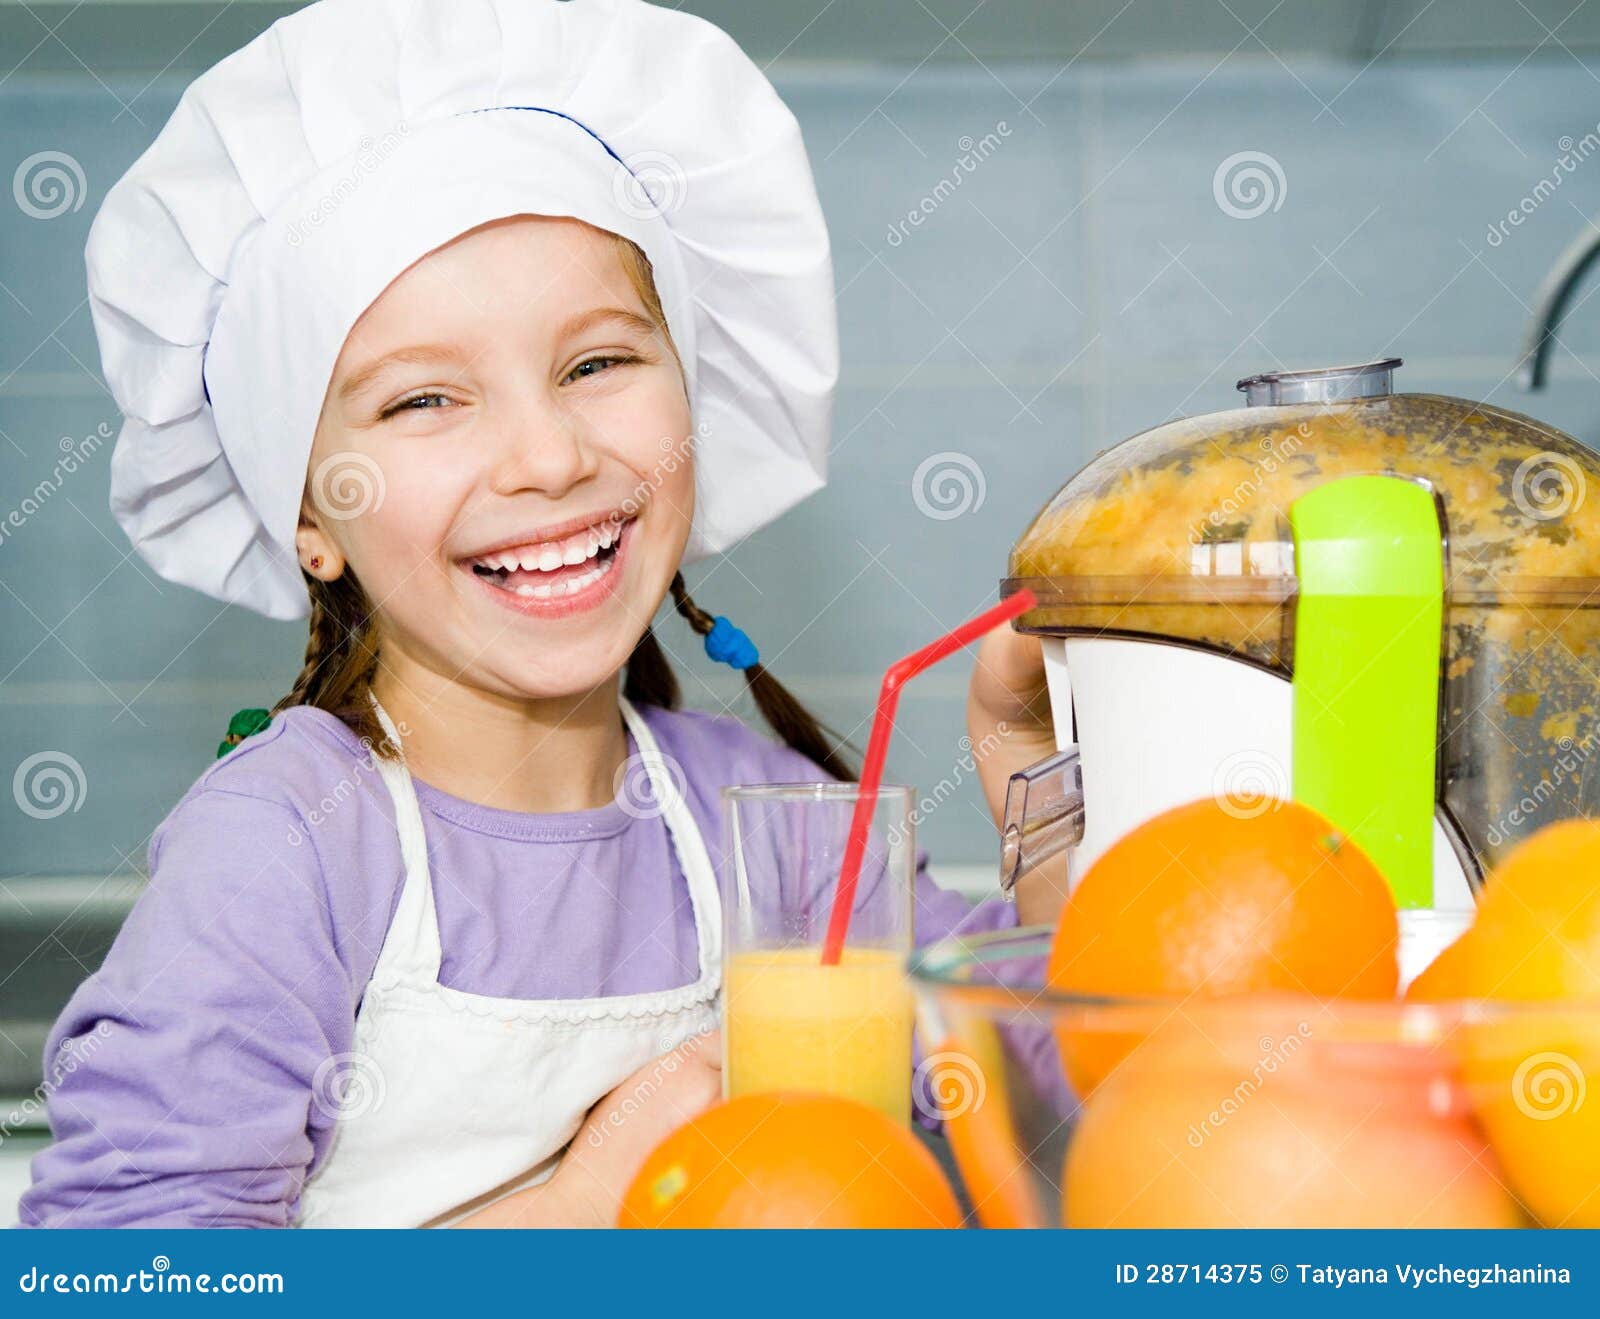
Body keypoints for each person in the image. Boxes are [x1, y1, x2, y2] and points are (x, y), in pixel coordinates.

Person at [18, 0, 1060, 1229]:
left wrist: (1040, 796)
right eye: (423, 401)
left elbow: (1045, 1109)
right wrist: (584, 1206)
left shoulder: (760, 817)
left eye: (595, 364)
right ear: (309, 513)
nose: (547, 455)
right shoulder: (285, 843)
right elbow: (132, 1270)